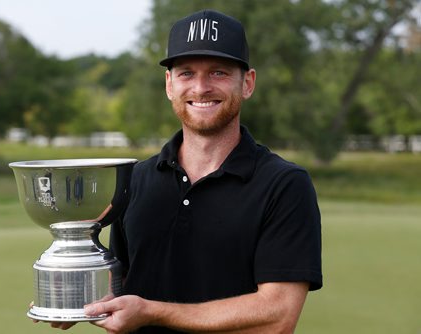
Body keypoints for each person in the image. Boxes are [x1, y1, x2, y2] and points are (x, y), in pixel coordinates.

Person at [50, 9, 322, 333]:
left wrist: (152, 312)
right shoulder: (134, 180)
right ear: (169, 84)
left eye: (218, 72)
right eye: (186, 73)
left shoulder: (284, 185)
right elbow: (121, 288)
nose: (201, 87)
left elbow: (278, 316)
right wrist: (76, 296)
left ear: (247, 83)